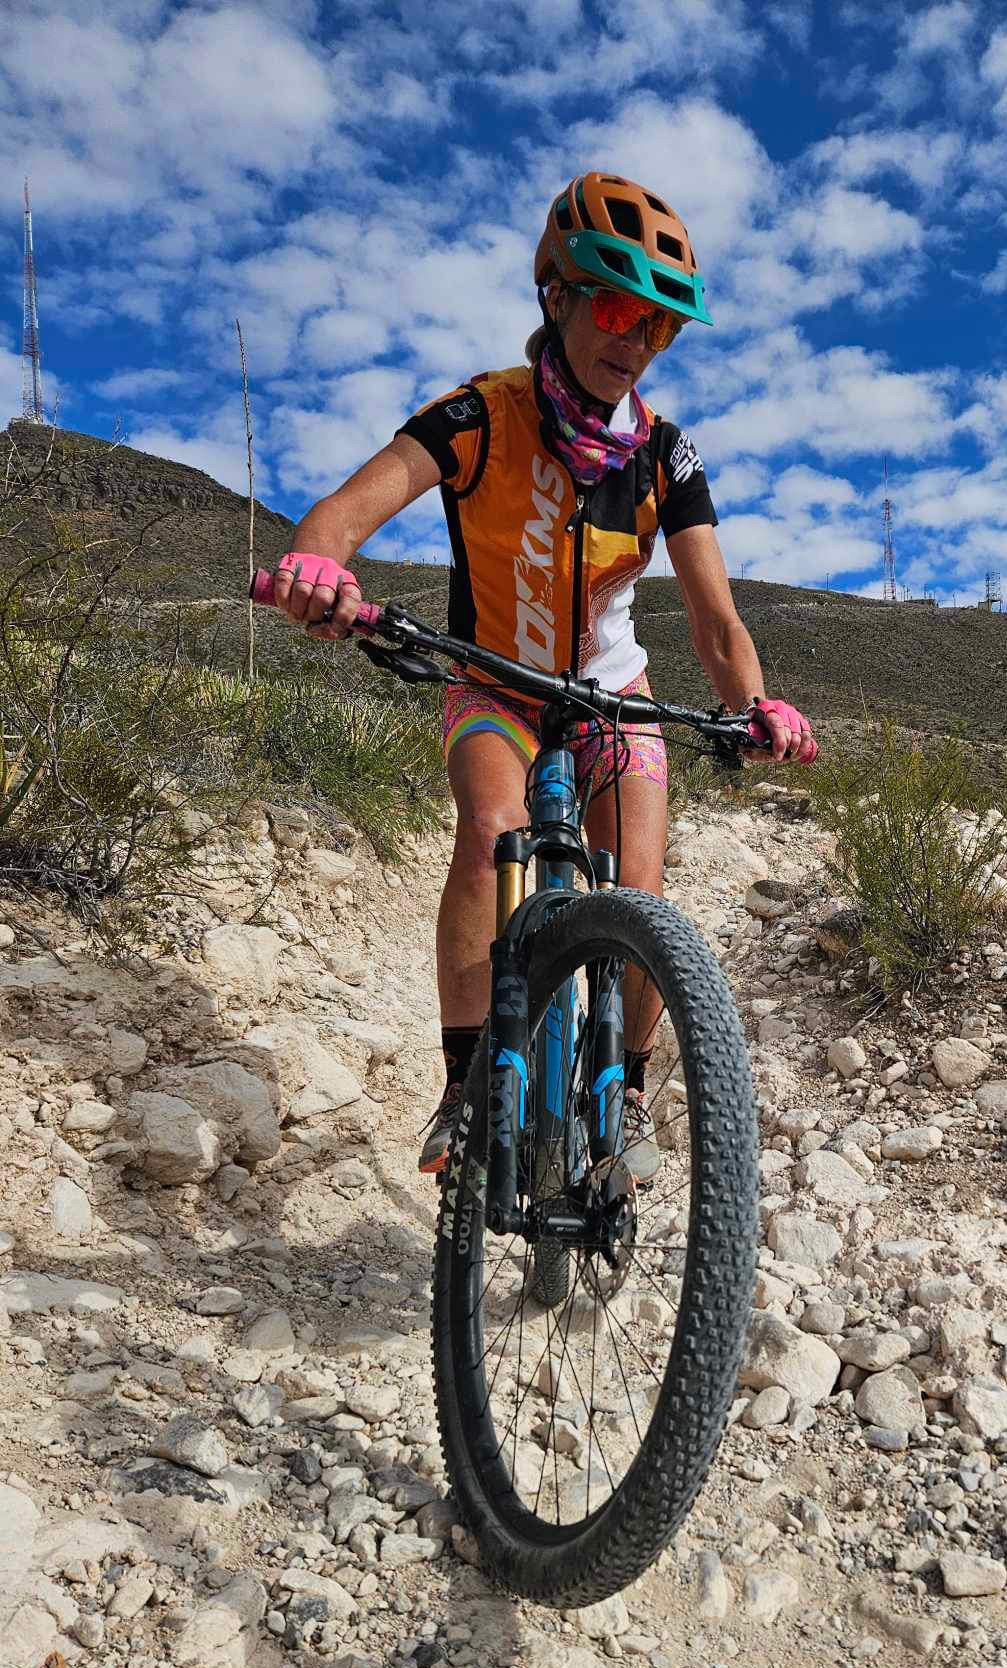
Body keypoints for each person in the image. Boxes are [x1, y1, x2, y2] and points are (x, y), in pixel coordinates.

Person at [268, 171, 817, 1175]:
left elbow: (715, 620)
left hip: (613, 692)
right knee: (491, 832)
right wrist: (318, 568)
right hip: (495, 682)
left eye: (660, 326)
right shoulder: (479, 414)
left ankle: (627, 1091)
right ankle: (464, 1084)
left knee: (643, 893)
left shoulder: (665, 457)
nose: (635, 340)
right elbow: (343, 513)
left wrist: (757, 705)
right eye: (616, 309)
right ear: (557, 295)